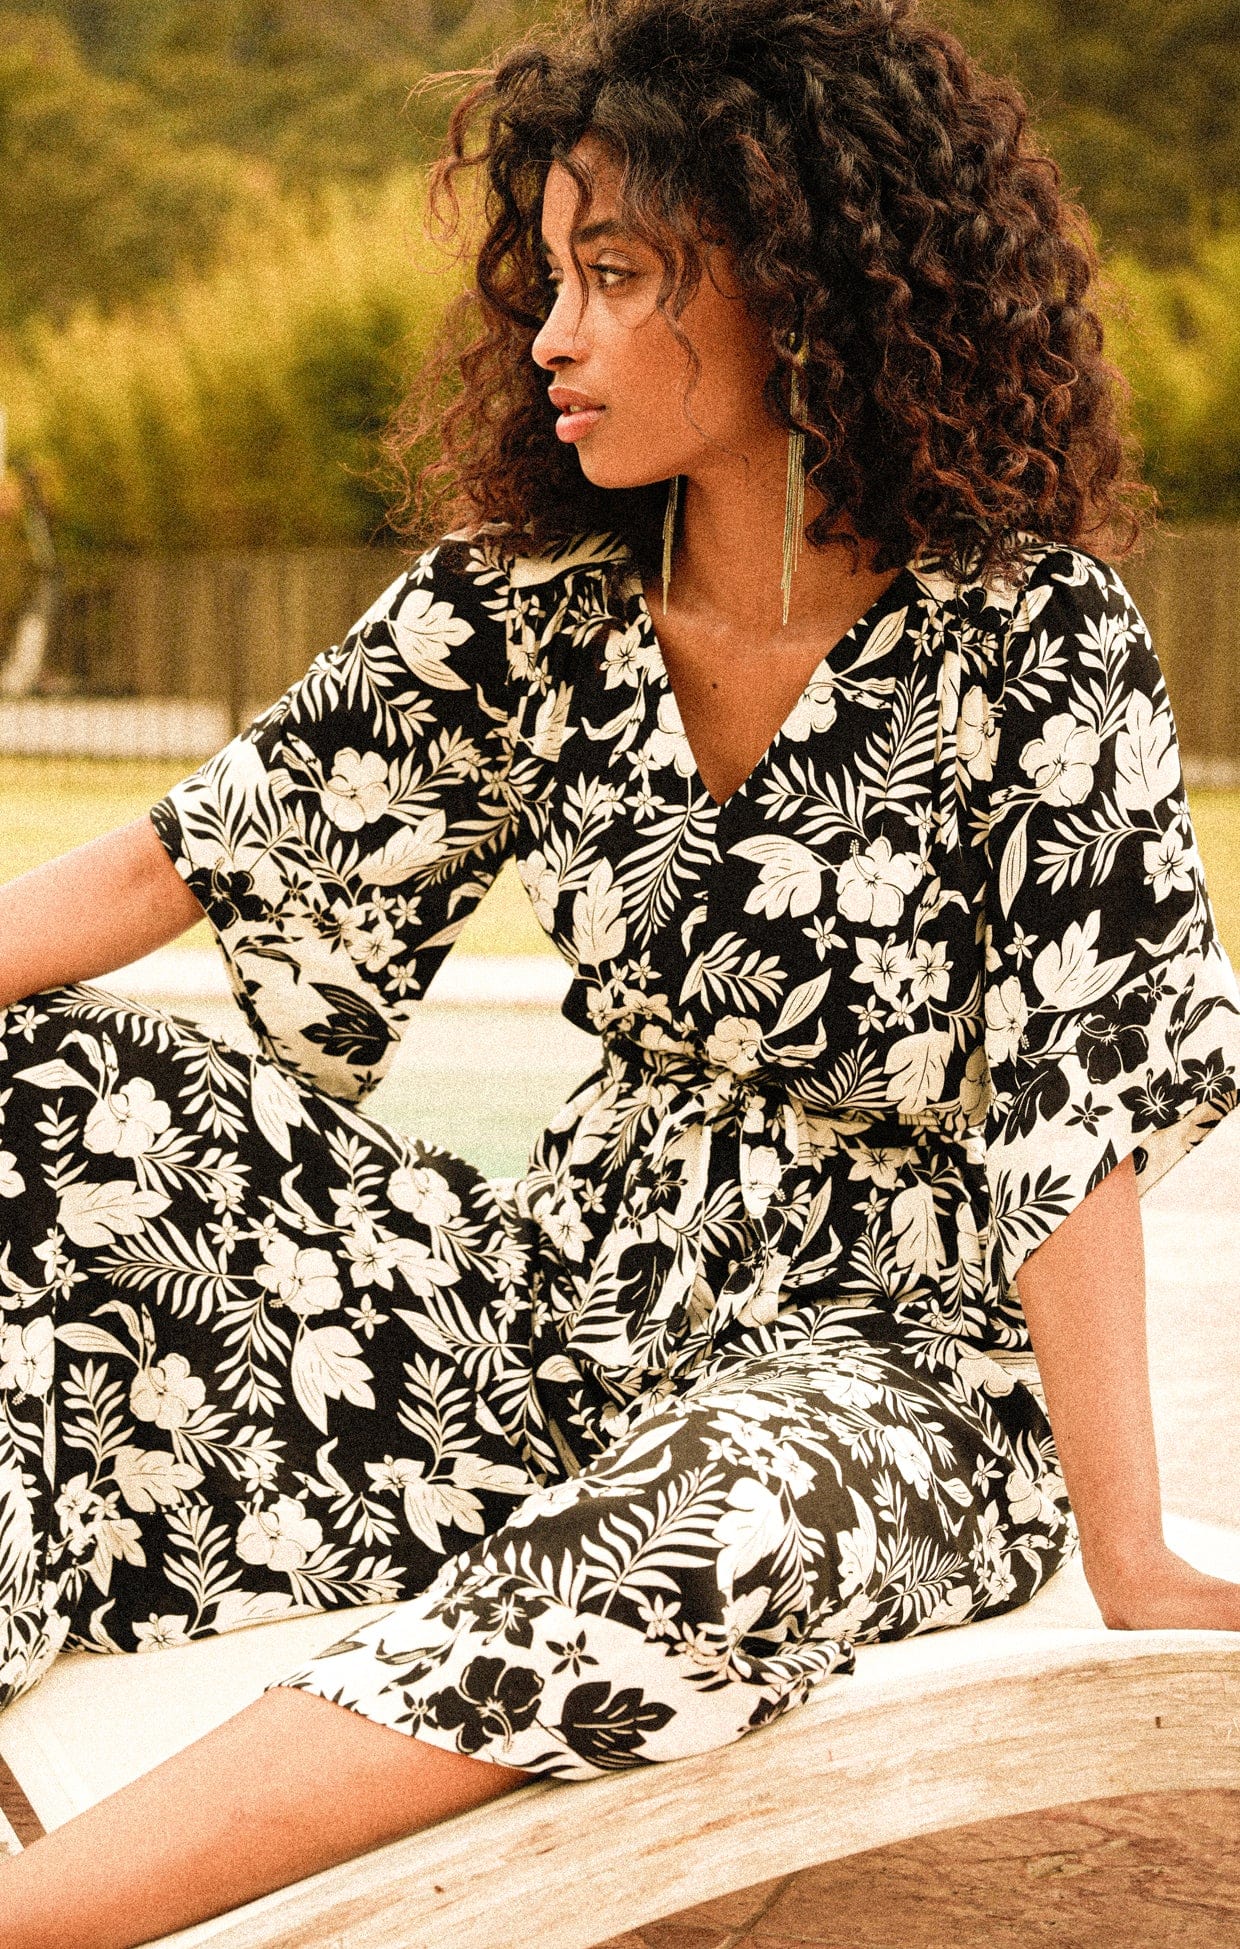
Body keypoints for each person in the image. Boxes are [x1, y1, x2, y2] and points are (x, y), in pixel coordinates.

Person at [4, 0, 1240, 1940]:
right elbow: (174, 861)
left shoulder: (1033, 640)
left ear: (801, 287)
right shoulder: (535, 606)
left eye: (618, 274)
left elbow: (1068, 1118)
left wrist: (1129, 1548)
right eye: (552, 277)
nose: (550, 337)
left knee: (703, 1533)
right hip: (538, 1315)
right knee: (46, 1092)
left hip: (882, 1378)